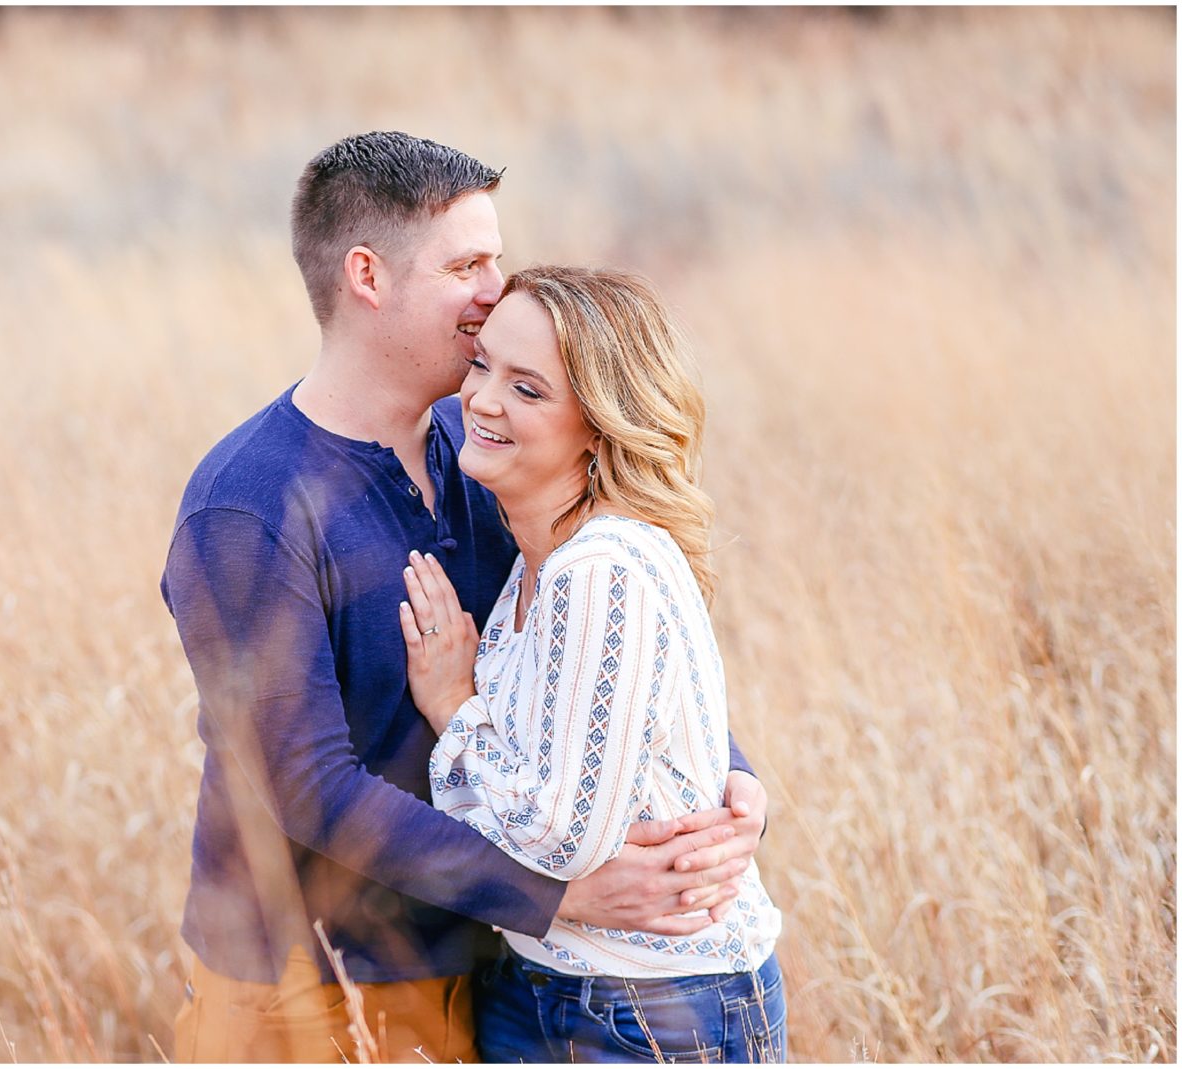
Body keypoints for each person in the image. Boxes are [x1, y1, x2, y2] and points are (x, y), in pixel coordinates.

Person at [160, 132, 769, 1063]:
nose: (496, 290)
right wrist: (560, 896)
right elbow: (310, 788)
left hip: (490, 964)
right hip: (315, 986)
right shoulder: (250, 504)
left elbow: (612, 634)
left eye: (496, 257)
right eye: (467, 265)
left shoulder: (484, 441)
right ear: (368, 276)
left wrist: (732, 785)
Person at [398, 265, 785, 1062]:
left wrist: (452, 707)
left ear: (599, 424)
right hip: (544, 982)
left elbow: (559, 839)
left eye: (529, 389)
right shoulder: (537, 560)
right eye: (482, 366)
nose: (484, 400)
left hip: (649, 1008)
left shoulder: (602, 565)